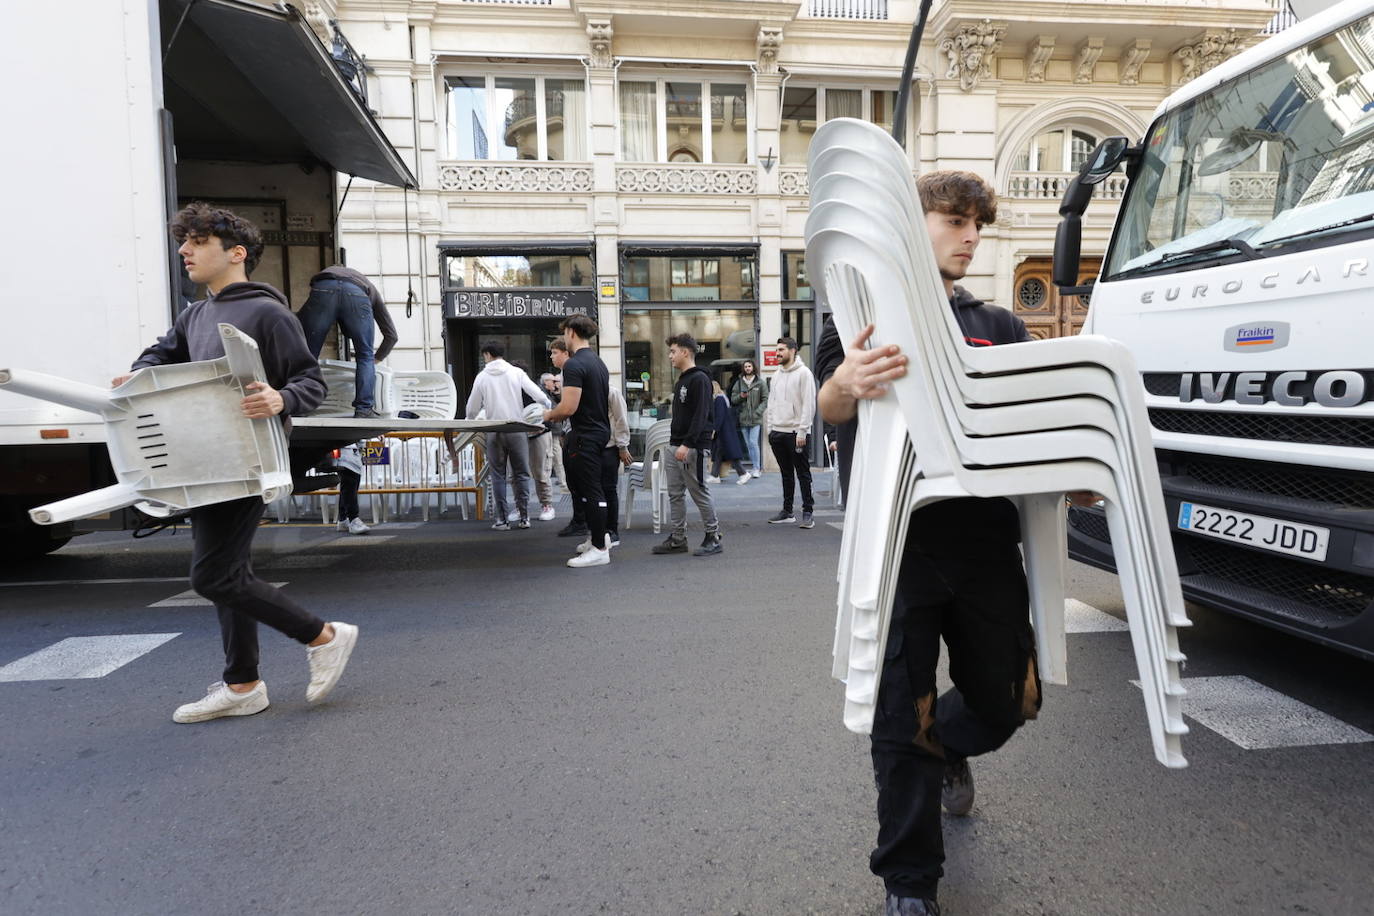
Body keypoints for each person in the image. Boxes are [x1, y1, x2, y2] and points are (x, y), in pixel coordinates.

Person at [817, 171, 1060, 916]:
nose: (972, 236)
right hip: (899, 551)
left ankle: (950, 746)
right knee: (901, 719)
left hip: (988, 546)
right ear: (909, 223)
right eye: (955, 220)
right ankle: (909, 882)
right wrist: (848, 383)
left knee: (1008, 702)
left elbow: (1032, 430)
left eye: (978, 224)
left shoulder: (1001, 324)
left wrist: (1071, 474)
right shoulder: (859, 312)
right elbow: (829, 406)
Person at [114, 202, 358, 723]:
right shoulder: (196, 315)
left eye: (198, 242)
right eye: (186, 242)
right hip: (202, 458)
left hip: (248, 458)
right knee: (229, 573)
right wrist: (137, 377)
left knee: (213, 577)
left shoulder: (267, 312)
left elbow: (310, 382)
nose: (185, 251)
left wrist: (280, 399)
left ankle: (323, 635)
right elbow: (159, 355)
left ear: (236, 253)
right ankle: (243, 685)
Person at [542, 315, 612, 568]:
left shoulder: (573, 365)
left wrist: (547, 414)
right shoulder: (598, 362)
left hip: (586, 435)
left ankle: (599, 548)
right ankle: (598, 537)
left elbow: (568, 407)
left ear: (571, 332)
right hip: (596, 432)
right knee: (587, 490)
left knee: (591, 492)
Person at [466, 340, 552, 530]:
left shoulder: (482, 377)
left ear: (487, 354)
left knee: (498, 475)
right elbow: (537, 393)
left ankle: (502, 520)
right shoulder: (516, 372)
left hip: (494, 430)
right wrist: (547, 406)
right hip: (516, 429)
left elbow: (472, 407)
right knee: (521, 474)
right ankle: (524, 517)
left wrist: (470, 419)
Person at [296, 264, 398, 418]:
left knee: (309, 355)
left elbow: (296, 323)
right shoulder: (370, 289)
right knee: (365, 356)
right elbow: (391, 336)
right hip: (357, 293)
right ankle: (364, 409)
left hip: (322, 287)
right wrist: (374, 360)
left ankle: (301, 407)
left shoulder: (336, 276)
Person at [652, 333, 722, 557]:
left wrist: (688, 444)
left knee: (699, 491)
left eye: (673, 351)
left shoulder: (699, 379)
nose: (670, 356)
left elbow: (701, 415)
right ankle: (678, 538)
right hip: (675, 445)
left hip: (692, 447)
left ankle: (713, 536)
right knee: (675, 494)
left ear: (685, 352)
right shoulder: (682, 379)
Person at [764, 336, 817, 529]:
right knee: (786, 473)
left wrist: (802, 431)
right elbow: (771, 404)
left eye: (781, 350)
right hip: (778, 432)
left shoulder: (804, 373)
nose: (777, 353)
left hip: (796, 433)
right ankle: (787, 511)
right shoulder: (776, 375)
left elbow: (809, 404)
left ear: (793, 351)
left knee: (802, 473)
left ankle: (808, 512)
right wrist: (770, 429)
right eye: (777, 350)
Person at [573, 384, 632, 555]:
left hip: (609, 447)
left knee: (608, 489)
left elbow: (621, 418)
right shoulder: (580, 391)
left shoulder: (611, 392)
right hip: (587, 447)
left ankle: (612, 531)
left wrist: (622, 446)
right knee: (590, 491)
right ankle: (595, 534)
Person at [548, 340, 587, 539]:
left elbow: (569, 408)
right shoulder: (566, 374)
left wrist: (549, 415)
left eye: (555, 352)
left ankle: (583, 522)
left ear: (565, 353)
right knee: (574, 482)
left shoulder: (571, 370)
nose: (552, 357)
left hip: (577, 434)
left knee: (579, 482)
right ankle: (580, 520)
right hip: (570, 433)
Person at [729, 358, 767, 481]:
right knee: (748, 444)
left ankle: (757, 468)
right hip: (743, 418)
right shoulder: (739, 383)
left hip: (755, 419)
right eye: (745, 367)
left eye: (749, 366)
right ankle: (754, 467)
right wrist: (741, 396)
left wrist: (758, 412)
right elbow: (733, 399)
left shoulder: (760, 383)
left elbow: (765, 399)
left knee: (753, 443)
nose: (747, 368)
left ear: (753, 368)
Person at [706, 380, 747, 484]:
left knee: (730, 454)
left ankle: (743, 473)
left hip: (723, 432)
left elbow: (719, 416)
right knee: (719, 453)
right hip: (724, 432)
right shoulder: (720, 398)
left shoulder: (719, 399)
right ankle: (714, 475)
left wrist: (714, 429)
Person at [334, 441, 370, 535]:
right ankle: (353, 519)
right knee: (350, 479)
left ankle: (343, 519)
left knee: (347, 482)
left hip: (348, 446)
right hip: (347, 446)